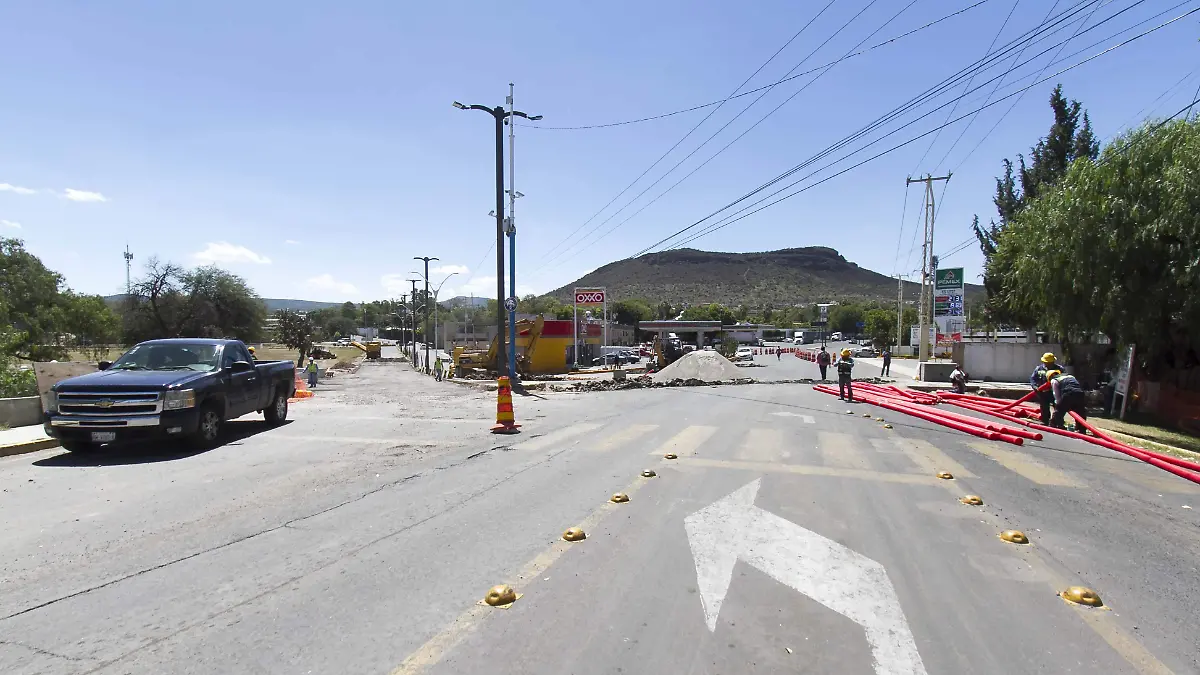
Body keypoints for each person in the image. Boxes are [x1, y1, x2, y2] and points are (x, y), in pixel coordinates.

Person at [1030, 352, 1064, 425]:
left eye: (1050, 363)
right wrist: (1035, 387)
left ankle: (1058, 422)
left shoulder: (1059, 369)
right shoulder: (1038, 369)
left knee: (1058, 408)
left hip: (1055, 392)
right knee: (1044, 407)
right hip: (1043, 392)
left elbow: (1064, 380)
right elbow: (1033, 379)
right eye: (1047, 362)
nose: (1048, 364)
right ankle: (1045, 421)